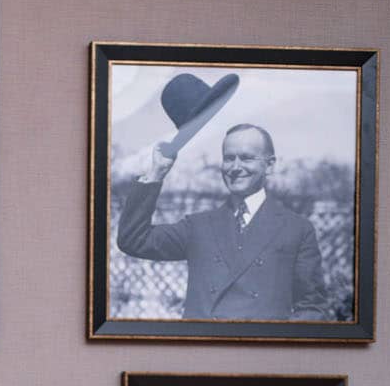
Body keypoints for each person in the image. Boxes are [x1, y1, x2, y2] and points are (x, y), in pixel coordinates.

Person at [116, 123, 331, 321]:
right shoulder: (198, 226)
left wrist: (275, 344)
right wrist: (157, 171)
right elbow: (134, 240)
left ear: (270, 165)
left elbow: (312, 307)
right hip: (201, 352)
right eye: (229, 158)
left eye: (246, 158)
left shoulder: (296, 229)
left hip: (261, 355)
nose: (235, 167)